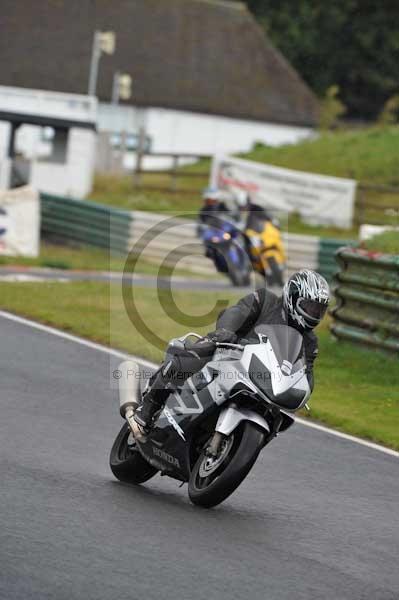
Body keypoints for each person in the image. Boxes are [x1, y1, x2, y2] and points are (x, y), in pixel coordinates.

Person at [133, 269, 330, 434]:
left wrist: (303, 391)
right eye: (310, 307)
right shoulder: (265, 301)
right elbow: (238, 312)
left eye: (318, 310)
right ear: (292, 298)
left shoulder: (310, 342)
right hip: (228, 351)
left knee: (278, 416)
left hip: (261, 380)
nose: (314, 314)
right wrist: (226, 332)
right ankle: (148, 409)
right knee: (190, 358)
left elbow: (306, 372)